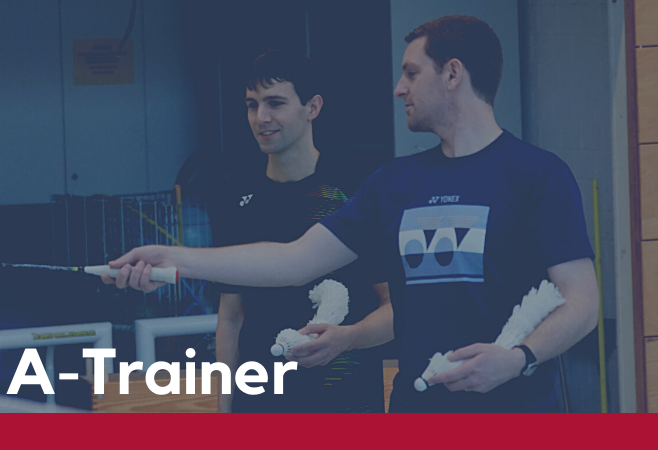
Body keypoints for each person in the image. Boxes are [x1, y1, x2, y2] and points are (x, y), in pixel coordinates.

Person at [102, 15, 599, 413]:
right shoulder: (393, 184)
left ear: (452, 74)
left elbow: (582, 303)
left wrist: (518, 358)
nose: (399, 88)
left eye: (411, 73)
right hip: (415, 413)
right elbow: (293, 261)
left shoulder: (537, 175)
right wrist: (173, 257)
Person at [210, 50, 392, 413]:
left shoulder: (354, 192)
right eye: (252, 105)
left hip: (345, 403)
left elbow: (395, 306)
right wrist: (224, 406)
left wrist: (349, 339)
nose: (261, 117)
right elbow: (231, 316)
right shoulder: (235, 200)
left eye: (275, 103)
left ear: (313, 107)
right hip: (261, 404)